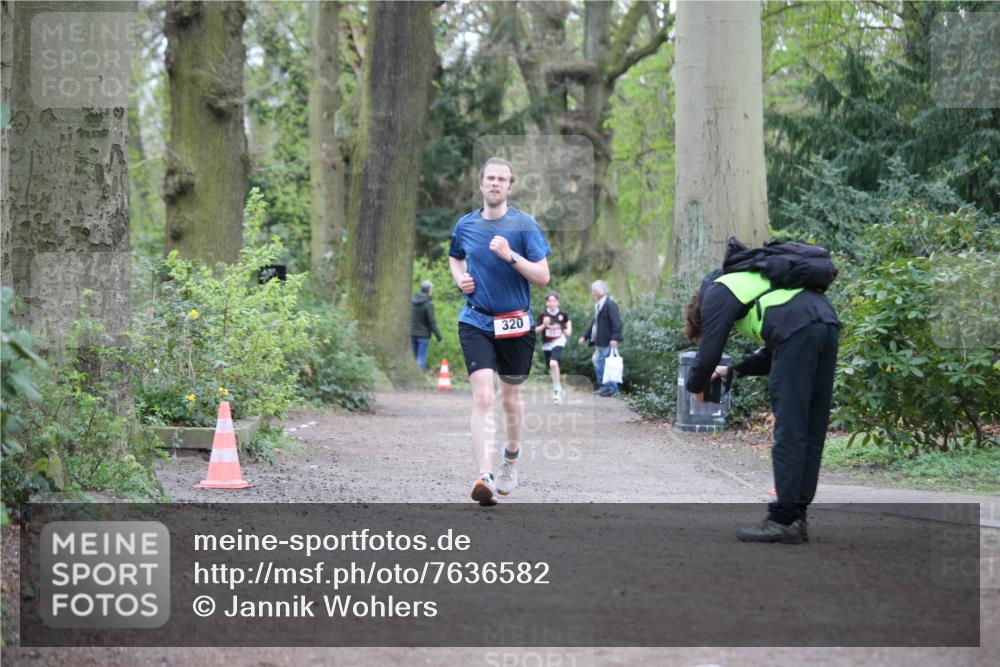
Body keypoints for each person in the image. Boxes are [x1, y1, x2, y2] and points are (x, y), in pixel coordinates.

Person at [683, 266, 839, 544]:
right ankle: (796, 514)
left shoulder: (718, 292)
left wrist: (697, 387)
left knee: (790, 429)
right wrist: (733, 371)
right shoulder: (760, 285)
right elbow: (775, 349)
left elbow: (707, 353)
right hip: (826, 323)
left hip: (801, 329)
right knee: (811, 429)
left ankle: (782, 520)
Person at [448, 157, 551, 506]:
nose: (495, 183)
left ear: (510, 186)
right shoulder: (465, 225)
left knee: (509, 399)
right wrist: (459, 279)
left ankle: (510, 458)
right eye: (490, 178)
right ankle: (484, 476)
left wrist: (510, 256)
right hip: (476, 319)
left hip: (516, 323)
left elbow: (542, 276)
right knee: (483, 397)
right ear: (481, 184)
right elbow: (455, 256)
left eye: (501, 179)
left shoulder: (524, 225)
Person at [577, 280, 622, 397]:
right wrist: (585, 336)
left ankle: (609, 388)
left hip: (607, 340)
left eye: (594, 291)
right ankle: (609, 388)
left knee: (602, 362)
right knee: (599, 361)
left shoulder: (610, 304)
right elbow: (594, 324)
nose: (593, 293)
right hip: (599, 341)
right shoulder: (599, 305)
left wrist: (615, 338)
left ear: (600, 291)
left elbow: (616, 323)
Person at [535, 292, 572, 403]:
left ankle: (556, 390)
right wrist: (544, 325)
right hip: (547, 344)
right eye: (549, 301)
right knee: (551, 367)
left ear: (558, 302)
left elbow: (567, 321)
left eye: (554, 300)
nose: (552, 303)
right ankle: (559, 387)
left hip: (559, 341)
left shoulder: (562, 314)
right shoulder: (543, 314)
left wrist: (569, 330)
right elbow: (536, 331)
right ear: (546, 303)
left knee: (553, 363)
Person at [410, 280, 443, 371]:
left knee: (412, 358)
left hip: (411, 333)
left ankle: (413, 376)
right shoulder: (428, 303)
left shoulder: (411, 301)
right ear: (429, 290)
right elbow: (431, 322)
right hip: (423, 336)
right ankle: (418, 378)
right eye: (431, 289)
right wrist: (439, 338)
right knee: (421, 357)